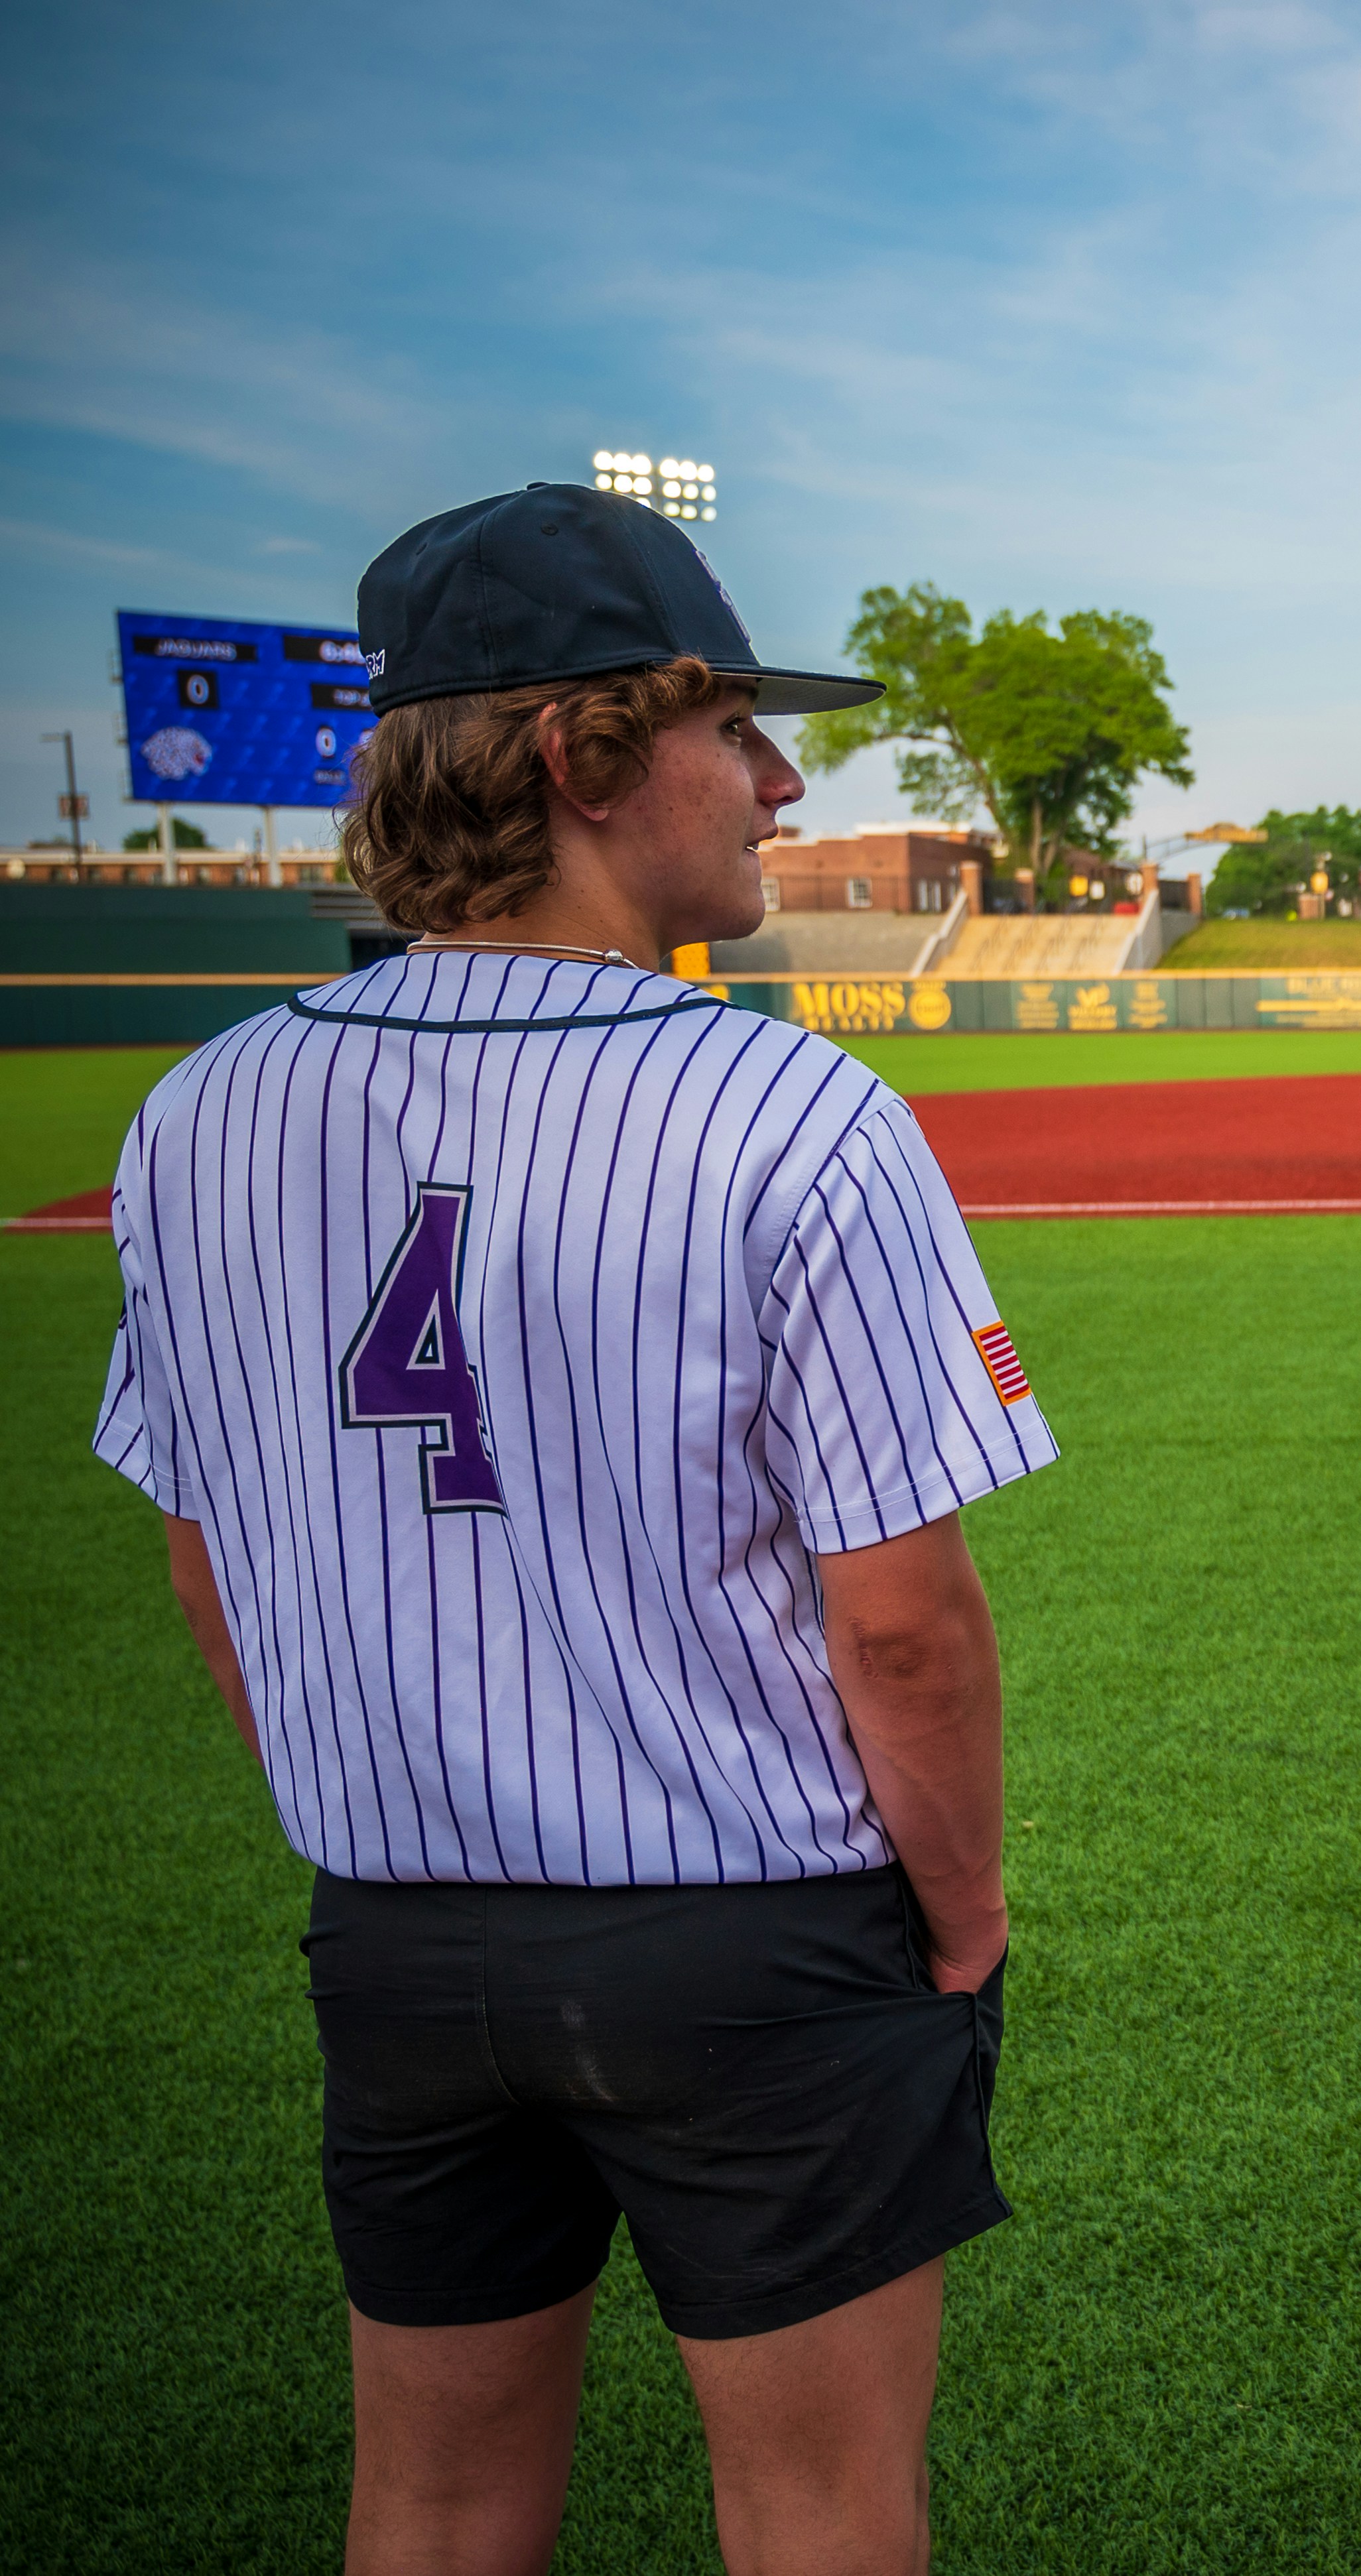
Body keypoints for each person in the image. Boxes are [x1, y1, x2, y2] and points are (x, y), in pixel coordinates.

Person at [96, 483, 1056, 2573]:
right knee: (820, 2516)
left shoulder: (192, 1117)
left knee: (431, 2513)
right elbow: (905, 1628)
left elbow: (201, 1556)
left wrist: (393, 1840)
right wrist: (964, 1923)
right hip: (758, 1943)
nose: (786, 781)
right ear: (581, 752)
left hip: (396, 1938)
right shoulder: (794, 1110)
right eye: (737, 727)